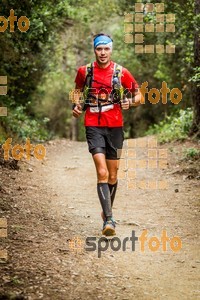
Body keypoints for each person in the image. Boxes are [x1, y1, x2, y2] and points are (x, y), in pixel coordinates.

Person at [72, 33, 143, 236]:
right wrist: (76, 105)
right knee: (102, 172)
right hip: (93, 125)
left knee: (113, 174)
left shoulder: (121, 72)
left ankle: (106, 212)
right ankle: (109, 220)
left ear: (111, 50)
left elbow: (139, 95)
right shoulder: (84, 71)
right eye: (99, 49)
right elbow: (77, 91)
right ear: (94, 50)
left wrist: (131, 101)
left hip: (115, 127)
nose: (102, 53)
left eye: (106, 49)